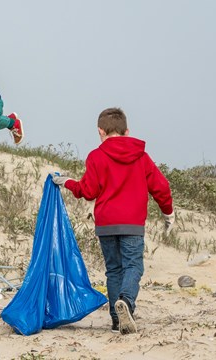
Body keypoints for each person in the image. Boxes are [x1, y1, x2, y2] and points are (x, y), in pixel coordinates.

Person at [52, 107, 175, 335]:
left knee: (114, 270)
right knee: (133, 266)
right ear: (127, 131)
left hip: (106, 224)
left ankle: (117, 321)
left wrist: (68, 182)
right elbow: (161, 187)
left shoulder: (96, 156)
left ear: (100, 131)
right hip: (132, 224)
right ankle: (126, 303)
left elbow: (88, 191)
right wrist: (168, 213)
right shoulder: (142, 157)